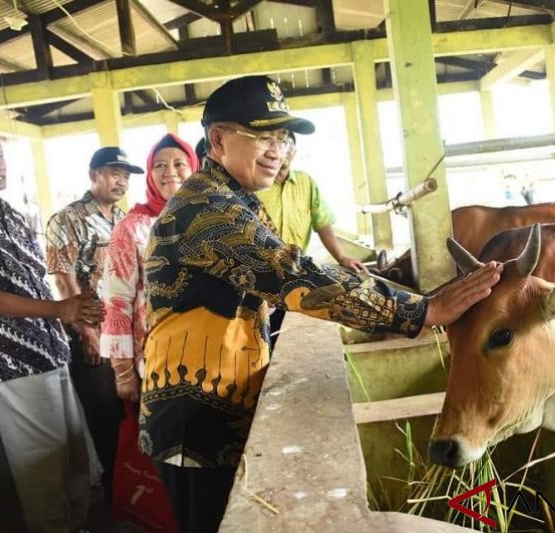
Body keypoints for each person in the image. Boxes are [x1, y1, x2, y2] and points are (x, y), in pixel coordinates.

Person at [140, 75, 503, 533]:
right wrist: (421, 311)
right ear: (217, 139)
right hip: (195, 416)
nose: (276, 150)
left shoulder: (238, 200)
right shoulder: (208, 210)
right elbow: (294, 275)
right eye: (261, 136)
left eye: (282, 138)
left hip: (221, 397)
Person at [0, 121, 104, 532]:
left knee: (74, 458)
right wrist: (59, 311)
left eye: (0, 156)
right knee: (42, 475)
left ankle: (79, 525)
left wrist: (70, 322)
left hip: (50, 351)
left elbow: (35, 280)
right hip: (15, 362)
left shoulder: (13, 215)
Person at [45, 146, 143, 500]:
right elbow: (63, 281)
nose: (122, 181)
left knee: (133, 410)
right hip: (95, 335)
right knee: (106, 417)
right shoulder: (67, 219)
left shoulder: (124, 219)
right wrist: (87, 333)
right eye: (114, 172)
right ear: (93, 175)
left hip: (127, 335)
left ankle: (141, 487)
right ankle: (118, 492)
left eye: (126, 175)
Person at [100, 134, 199, 401]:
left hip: (210, 361)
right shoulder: (132, 228)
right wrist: (123, 373)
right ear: (150, 174)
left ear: (194, 168)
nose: (170, 172)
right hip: (157, 362)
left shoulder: (211, 219)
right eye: (160, 165)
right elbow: (116, 301)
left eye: (180, 163)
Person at [256, 131, 369, 349]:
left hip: (295, 275)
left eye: (284, 144)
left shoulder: (306, 183)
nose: (279, 151)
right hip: (262, 276)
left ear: (293, 152)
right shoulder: (256, 185)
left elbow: (322, 222)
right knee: (262, 338)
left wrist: (342, 257)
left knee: (287, 337)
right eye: (273, 144)